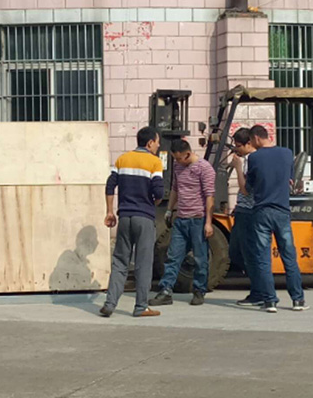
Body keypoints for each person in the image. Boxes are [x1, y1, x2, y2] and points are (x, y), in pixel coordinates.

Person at [100, 127, 164, 318]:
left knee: (120, 261)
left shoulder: (122, 159)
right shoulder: (155, 162)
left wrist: (109, 211)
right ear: (150, 143)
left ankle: (110, 304)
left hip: (125, 217)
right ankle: (141, 306)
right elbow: (159, 192)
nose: (158, 145)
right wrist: (154, 202)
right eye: (157, 142)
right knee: (143, 263)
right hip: (144, 218)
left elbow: (110, 185)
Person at [247, 125, 309, 313]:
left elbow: (250, 186)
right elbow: (290, 180)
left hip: (262, 212)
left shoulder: (254, 157)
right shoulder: (287, 153)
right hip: (282, 211)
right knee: (289, 257)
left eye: (251, 141)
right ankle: (298, 300)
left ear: (256, 138)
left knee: (263, 259)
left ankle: (270, 302)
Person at [149, 139, 216, 307]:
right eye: (175, 158)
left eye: (179, 158)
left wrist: (208, 222)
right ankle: (166, 291)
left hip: (198, 219)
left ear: (188, 154)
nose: (177, 162)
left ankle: (199, 290)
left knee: (200, 258)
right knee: (173, 256)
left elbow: (209, 196)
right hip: (181, 219)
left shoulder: (204, 168)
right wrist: (169, 210)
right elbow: (175, 189)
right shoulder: (178, 166)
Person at [229, 128, 264, 307]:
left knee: (248, 253)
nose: (237, 150)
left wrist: (237, 168)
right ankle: (258, 288)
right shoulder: (248, 159)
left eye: (239, 146)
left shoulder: (251, 161)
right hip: (243, 209)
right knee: (236, 251)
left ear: (249, 143)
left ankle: (259, 291)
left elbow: (246, 190)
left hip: (249, 211)